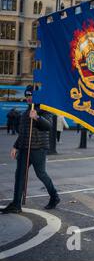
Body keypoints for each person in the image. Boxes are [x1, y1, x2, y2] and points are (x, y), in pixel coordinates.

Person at [1, 85, 60, 214]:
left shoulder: (44, 109)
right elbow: (23, 132)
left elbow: (48, 126)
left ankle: (54, 197)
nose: (28, 98)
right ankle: (16, 204)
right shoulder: (27, 110)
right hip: (24, 148)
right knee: (19, 175)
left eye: (31, 96)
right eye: (27, 96)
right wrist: (15, 146)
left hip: (38, 148)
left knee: (41, 174)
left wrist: (37, 117)